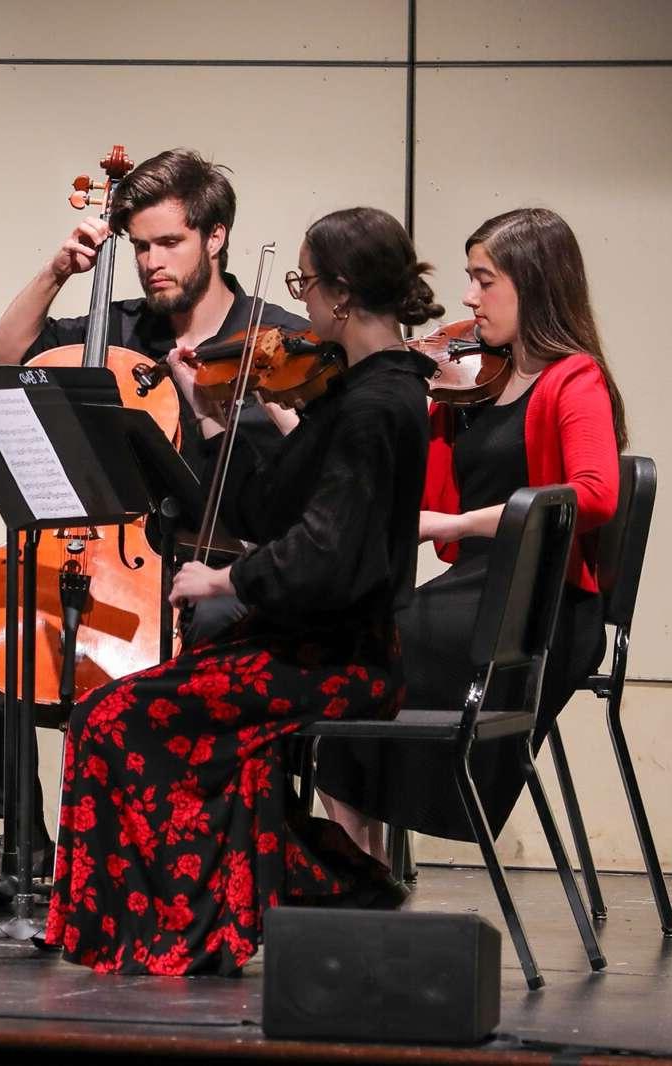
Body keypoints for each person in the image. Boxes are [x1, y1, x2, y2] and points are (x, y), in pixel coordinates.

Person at [42, 206, 440, 975]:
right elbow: (263, 508)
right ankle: (291, 898)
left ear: (344, 295)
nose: (303, 301)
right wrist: (213, 414)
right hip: (306, 644)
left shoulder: (377, 407)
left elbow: (328, 557)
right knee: (123, 716)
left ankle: (210, 918)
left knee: (111, 718)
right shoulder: (352, 393)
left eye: (307, 283)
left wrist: (223, 576)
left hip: (338, 657)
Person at [0, 149, 307, 892]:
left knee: (215, 625)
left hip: (224, 560)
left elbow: (316, 460)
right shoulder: (119, 323)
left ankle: (184, 842)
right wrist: (57, 270)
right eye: (139, 247)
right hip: (117, 554)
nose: (152, 263)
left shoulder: (272, 335)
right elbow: (2, 364)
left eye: (169, 243)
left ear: (215, 237)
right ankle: (21, 841)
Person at [316, 208, 625, 858]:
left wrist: (461, 522)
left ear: (534, 283)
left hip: (539, 606)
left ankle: (360, 878)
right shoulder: (474, 379)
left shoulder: (574, 379)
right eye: (468, 278)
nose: (466, 297)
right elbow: (401, 485)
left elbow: (594, 495)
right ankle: (360, 879)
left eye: (484, 280)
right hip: (475, 589)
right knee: (340, 650)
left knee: (356, 654)